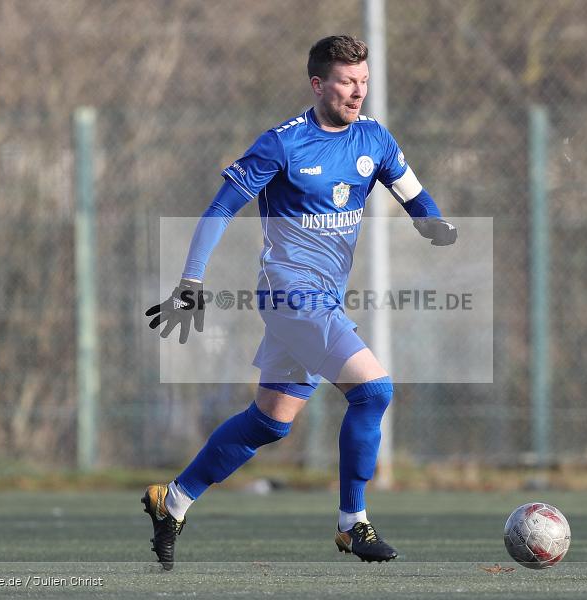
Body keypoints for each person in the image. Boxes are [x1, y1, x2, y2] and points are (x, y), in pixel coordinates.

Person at [142, 35, 457, 570]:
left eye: (363, 81)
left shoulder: (374, 139)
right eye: (346, 81)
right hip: (289, 296)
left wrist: (433, 223)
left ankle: (172, 500)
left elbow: (412, 193)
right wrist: (191, 280)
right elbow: (220, 209)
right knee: (374, 392)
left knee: (270, 423)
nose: (358, 92)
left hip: (324, 300)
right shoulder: (283, 144)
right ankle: (351, 524)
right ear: (318, 84)